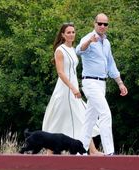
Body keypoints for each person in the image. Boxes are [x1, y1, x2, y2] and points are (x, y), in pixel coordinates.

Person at [42, 22, 103, 156]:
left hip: (72, 88)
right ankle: (49, 154)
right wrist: (73, 88)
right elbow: (61, 73)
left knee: (82, 116)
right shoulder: (60, 50)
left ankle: (92, 150)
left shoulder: (72, 49)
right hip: (65, 90)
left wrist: (90, 41)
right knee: (60, 119)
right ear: (63, 35)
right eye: (68, 32)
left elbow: (82, 50)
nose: (71, 34)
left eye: (73, 32)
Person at [76, 13, 128, 155]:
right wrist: (89, 42)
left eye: (105, 24)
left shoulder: (107, 43)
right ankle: (110, 152)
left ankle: (79, 152)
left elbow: (111, 64)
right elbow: (79, 50)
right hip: (90, 82)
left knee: (90, 119)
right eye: (100, 23)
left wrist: (120, 83)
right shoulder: (88, 38)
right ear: (94, 23)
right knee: (105, 114)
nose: (102, 26)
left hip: (101, 84)